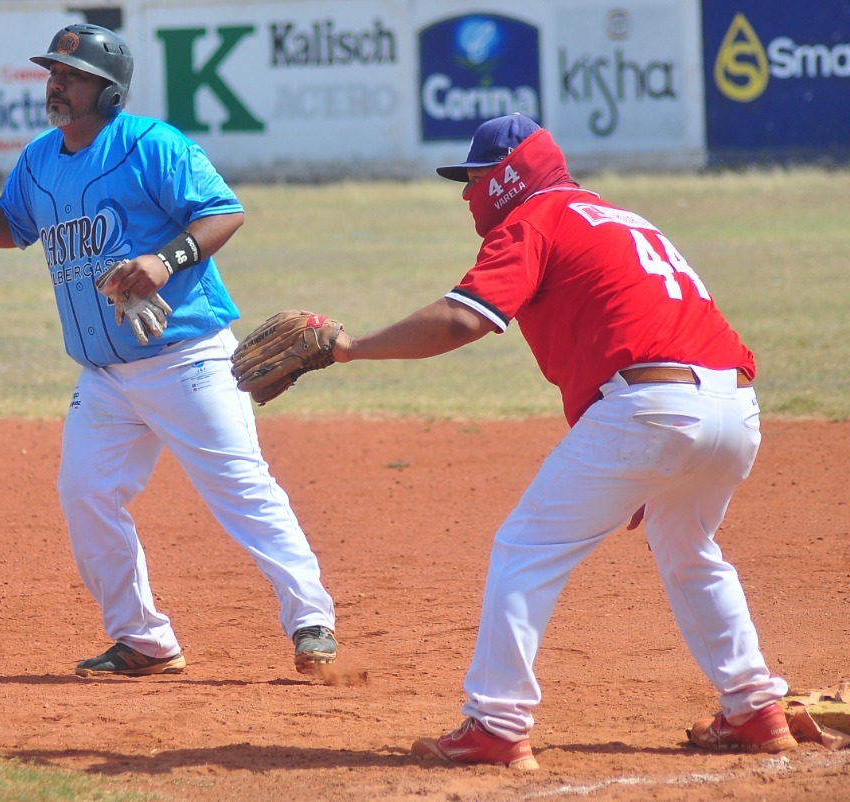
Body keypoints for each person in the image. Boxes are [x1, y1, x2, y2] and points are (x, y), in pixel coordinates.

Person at [328, 114, 794, 768]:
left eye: (475, 178)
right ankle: (752, 705)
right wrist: (651, 461)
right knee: (689, 549)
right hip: (732, 406)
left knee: (525, 548)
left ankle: (496, 722)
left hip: (653, 408)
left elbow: (463, 317)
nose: (467, 195)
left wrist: (351, 349)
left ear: (509, 175)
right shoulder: (625, 218)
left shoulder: (535, 219)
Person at [0, 23, 338, 678]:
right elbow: (16, 228)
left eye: (71, 73)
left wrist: (163, 259)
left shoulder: (153, 145)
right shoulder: (38, 159)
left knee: (240, 489)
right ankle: (144, 640)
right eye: (53, 71)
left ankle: (311, 618)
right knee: (85, 493)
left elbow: (222, 211)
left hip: (188, 357)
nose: (56, 82)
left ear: (108, 88)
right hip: (105, 378)